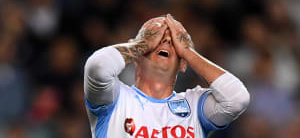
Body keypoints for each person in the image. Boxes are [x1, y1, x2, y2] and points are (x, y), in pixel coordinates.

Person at [84, 14, 250, 138]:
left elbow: (237, 99)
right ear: (136, 52)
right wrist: (143, 44)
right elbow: (98, 67)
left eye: (174, 41)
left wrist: (187, 52)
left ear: (183, 63)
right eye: (155, 36)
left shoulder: (194, 106)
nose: (166, 41)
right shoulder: (115, 98)